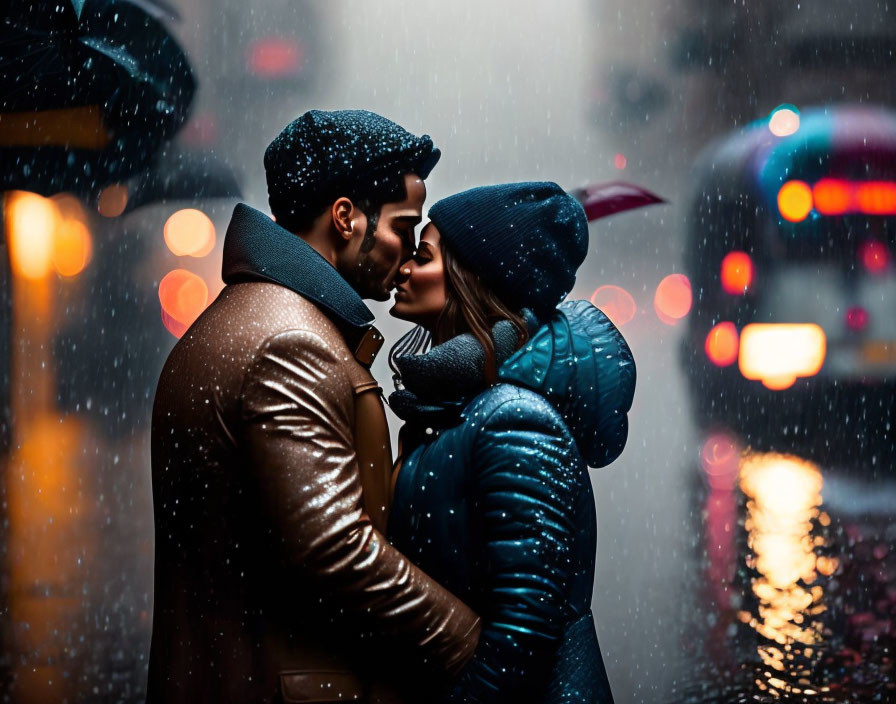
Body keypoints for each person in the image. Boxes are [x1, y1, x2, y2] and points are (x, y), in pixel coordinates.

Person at [147, 110, 480, 704]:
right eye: (403, 227)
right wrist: (467, 642)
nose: (407, 253)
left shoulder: (252, 317)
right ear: (346, 217)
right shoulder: (291, 341)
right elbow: (334, 547)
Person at [387, 182, 635, 703]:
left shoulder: (514, 420)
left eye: (424, 256)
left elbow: (524, 632)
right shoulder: (462, 405)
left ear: (469, 280)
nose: (404, 268)